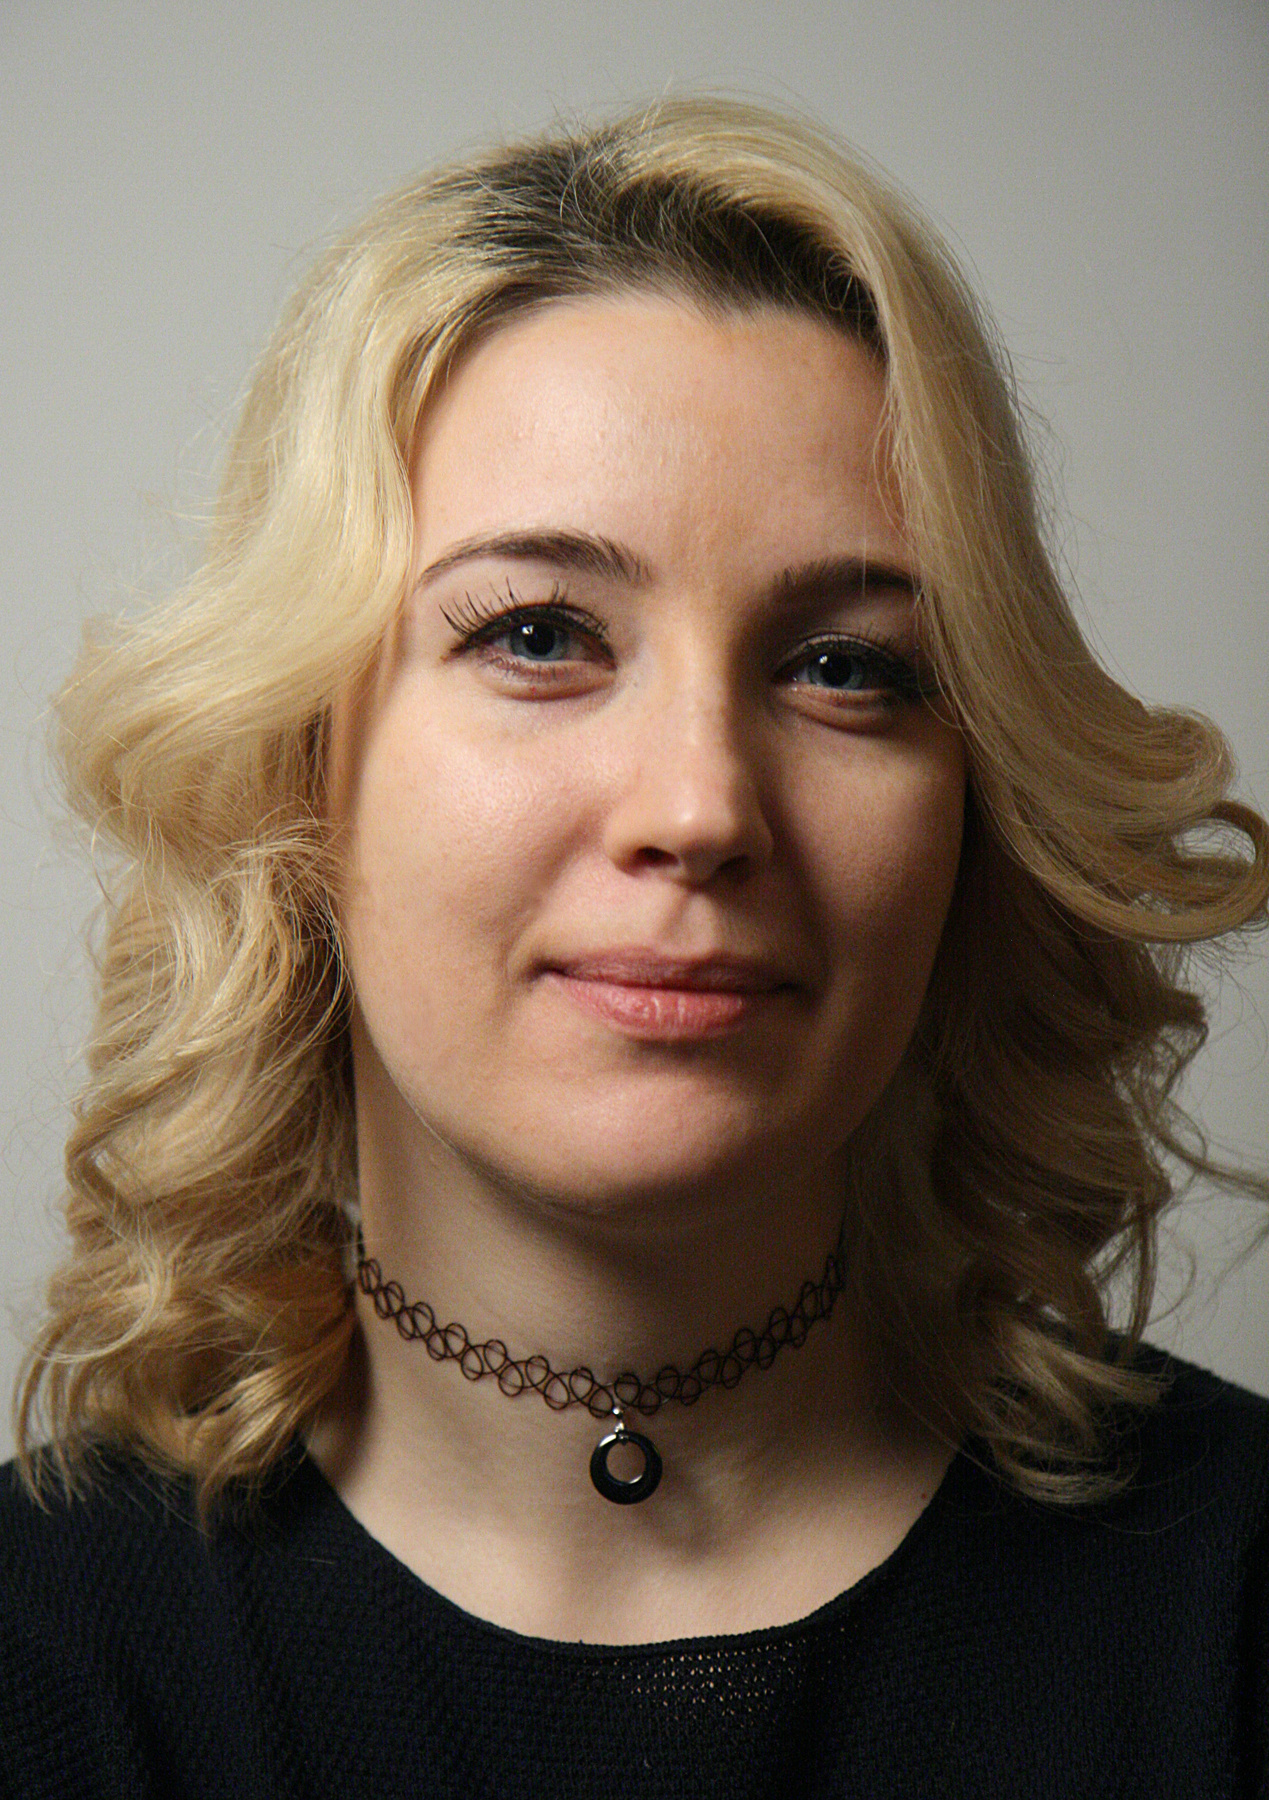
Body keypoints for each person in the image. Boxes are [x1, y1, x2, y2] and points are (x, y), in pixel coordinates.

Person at [2, 95, 1266, 1799]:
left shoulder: (1232, 1598)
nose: (700, 806)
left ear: (976, 807)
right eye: (538, 634)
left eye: (845, 666)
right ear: (296, 767)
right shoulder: (44, 1659)